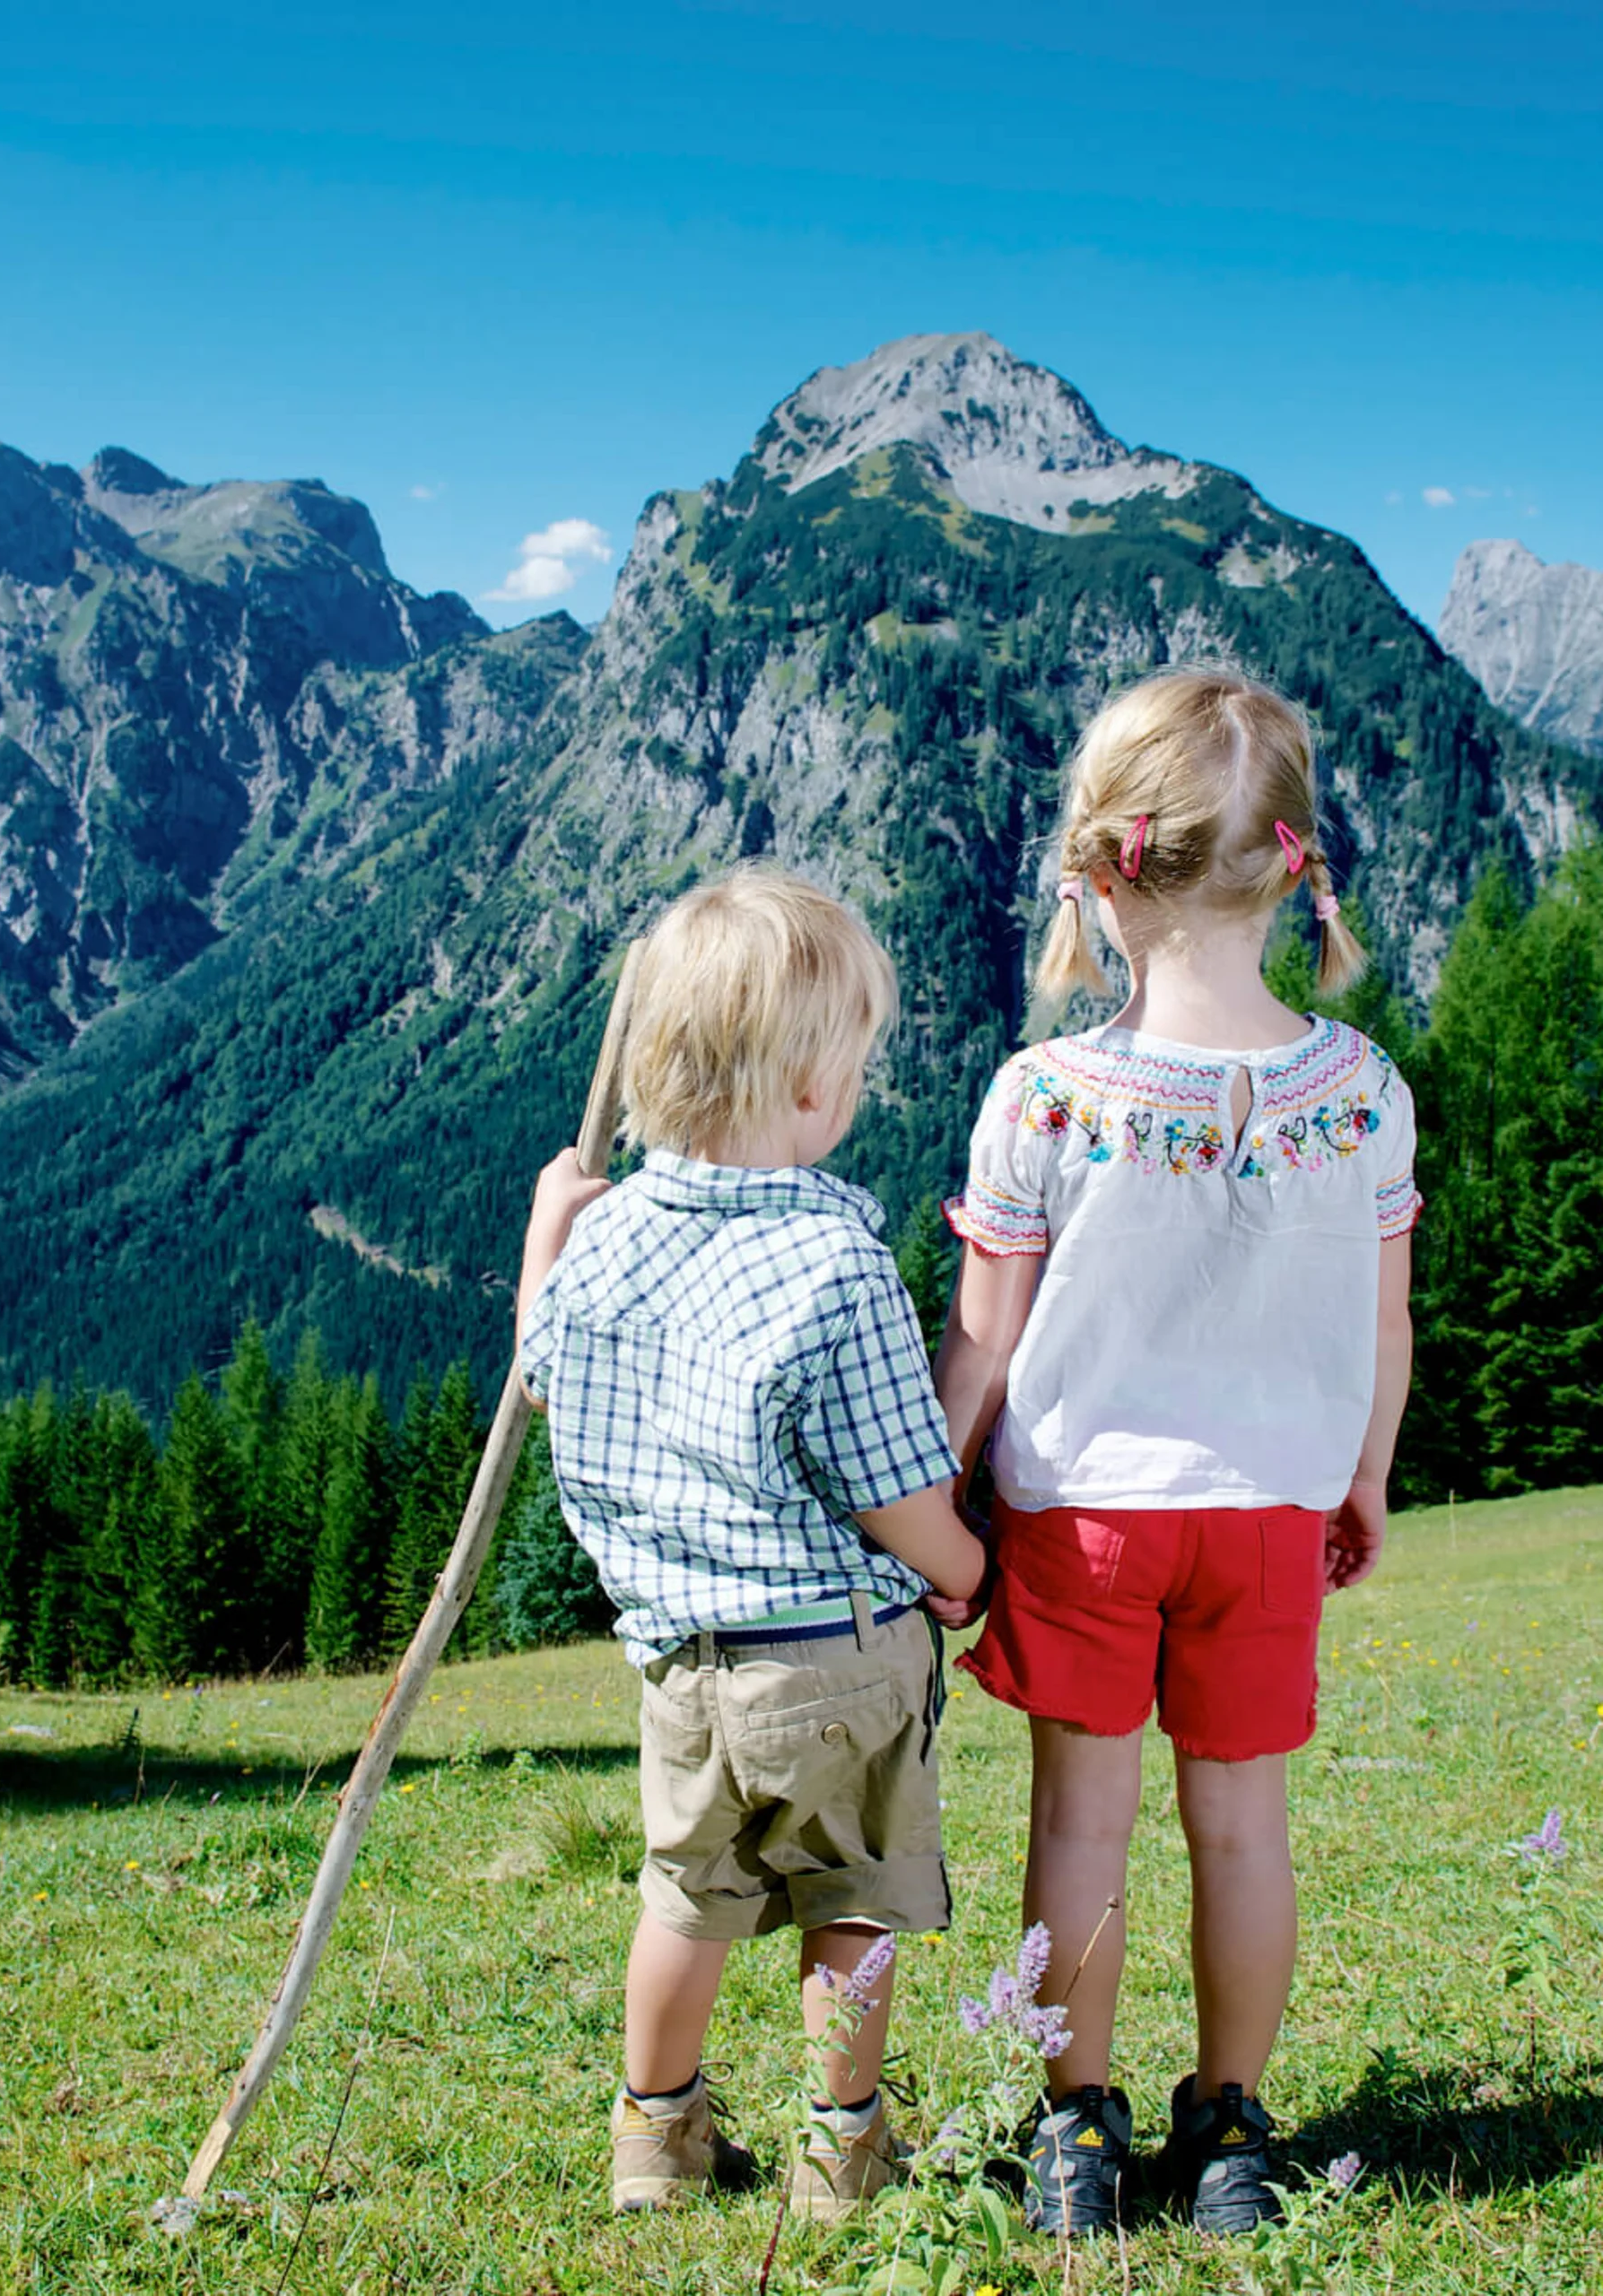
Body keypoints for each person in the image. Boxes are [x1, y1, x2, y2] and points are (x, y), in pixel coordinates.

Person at [935, 668, 1419, 2237]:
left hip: (1083, 1523)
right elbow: (1383, 1321)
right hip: (1269, 1513)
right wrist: (1363, 1474)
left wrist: (940, 1491)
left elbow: (985, 1347)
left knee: (1081, 1823)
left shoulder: (1047, 1097)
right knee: (1243, 1828)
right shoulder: (1362, 1092)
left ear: (1100, 870)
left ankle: (1074, 2128)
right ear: (1294, 864)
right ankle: (1231, 2131)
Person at [516, 868, 987, 2219]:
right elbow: (896, 1487)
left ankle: (653, 2142)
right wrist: (964, 1574)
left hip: (679, 1669)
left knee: (684, 1901)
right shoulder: (836, 1269)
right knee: (851, 1903)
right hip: (832, 1654)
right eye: (850, 1065)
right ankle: (843, 2151)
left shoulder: (602, 1249)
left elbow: (543, 1374)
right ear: (802, 1088)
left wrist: (549, 1237)